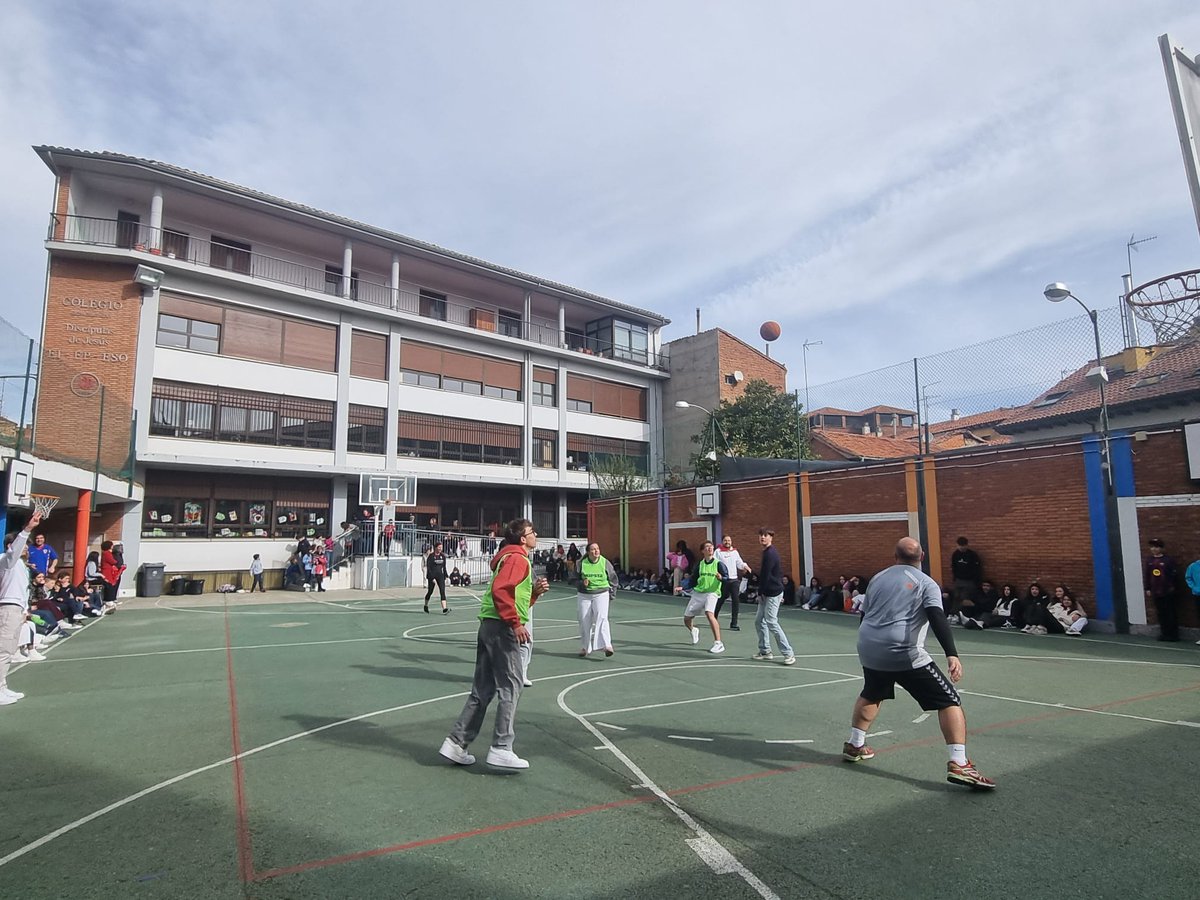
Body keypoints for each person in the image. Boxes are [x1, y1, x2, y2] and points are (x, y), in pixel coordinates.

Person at [842, 536, 996, 789]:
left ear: (895, 557)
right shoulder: (926, 583)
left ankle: (855, 744)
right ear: (922, 556)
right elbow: (937, 617)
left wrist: (869, 644)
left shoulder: (878, 578)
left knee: (872, 691)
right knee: (949, 700)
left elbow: (864, 614)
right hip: (903, 651)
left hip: (868, 645)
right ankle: (959, 763)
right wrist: (951, 653)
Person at [439, 518, 549, 770]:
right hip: (502, 627)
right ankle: (501, 747)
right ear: (523, 538)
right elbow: (501, 590)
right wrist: (515, 623)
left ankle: (456, 743)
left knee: (483, 689)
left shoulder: (507, 558)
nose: (536, 535)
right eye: (532, 532)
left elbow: (512, 596)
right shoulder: (518, 559)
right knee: (511, 686)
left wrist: (534, 594)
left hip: (490, 624)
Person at [0, 510, 41, 706]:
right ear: (11, 545)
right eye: (24, 544)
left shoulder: (22, 566)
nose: (26, 548)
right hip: (7, 608)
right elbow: (13, 552)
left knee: (8, 651)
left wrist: (25, 610)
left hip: (16, 609)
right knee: (3, 651)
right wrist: (28, 529)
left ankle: (2, 686)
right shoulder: (6, 560)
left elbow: (22, 590)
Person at [752, 528, 795, 665]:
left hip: (773, 592)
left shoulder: (770, 553)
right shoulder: (766, 552)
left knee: (771, 621)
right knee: (759, 621)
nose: (762, 537)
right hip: (767, 591)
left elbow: (766, 575)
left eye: (766, 535)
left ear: (771, 538)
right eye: (761, 535)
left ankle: (788, 653)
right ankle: (765, 651)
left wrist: (760, 593)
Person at [575, 541, 619, 657]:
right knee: (584, 620)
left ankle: (606, 645)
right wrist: (581, 583)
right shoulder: (581, 563)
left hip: (601, 593)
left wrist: (612, 594)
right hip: (584, 594)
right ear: (588, 552)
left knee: (602, 618)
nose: (596, 551)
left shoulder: (605, 562)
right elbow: (572, 579)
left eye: (598, 549)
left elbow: (613, 579)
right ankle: (586, 647)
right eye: (593, 549)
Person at [682, 540, 725, 654]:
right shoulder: (699, 565)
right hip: (699, 593)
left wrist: (721, 578)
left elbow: (727, 578)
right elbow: (693, 579)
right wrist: (683, 587)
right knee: (686, 619)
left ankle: (718, 643)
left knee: (709, 613)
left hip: (712, 593)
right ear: (702, 551)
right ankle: (693, 629)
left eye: (711, 547)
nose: (710, 548)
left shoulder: (719, 564)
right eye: (707, 547)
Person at [1144, 538, 1179, 642]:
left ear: (1161, 548)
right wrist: (1148, 588)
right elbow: (1147, 575)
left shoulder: (1168, 560)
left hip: (1167, 591)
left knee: (1170, 612)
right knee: (1161, 613)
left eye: (1156, 547)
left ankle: (1173, 635)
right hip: (1156, 591)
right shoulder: (1149, 561)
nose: (1154, 549)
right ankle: (1164, 633)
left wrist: (1172, 587)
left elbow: (1174, 575)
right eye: (1152, 547)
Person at [714, 534, 751, 631]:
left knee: (735, 600)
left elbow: (739, 562)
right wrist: (718, 574)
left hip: (734, 580)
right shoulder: (718, 552)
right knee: (721, 599)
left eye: (729, 540)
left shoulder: (734, 552)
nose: (727, 542)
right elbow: (714, 564)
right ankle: (714, 618)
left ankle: (734, 623)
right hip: (724, 580)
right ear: (722, 541)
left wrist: (745, 567)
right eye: (725, 540)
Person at [949, 536, 982, 619]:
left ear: (967, 545)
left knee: (965, 597)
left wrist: (976, 581)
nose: (961, 548)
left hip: (969, 581)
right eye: (960, 546)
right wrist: (955, 578)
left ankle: (963, 615)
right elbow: (953, 566)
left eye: (963, 546)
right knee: (956, 597)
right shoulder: (955, 554)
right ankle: (954, 614)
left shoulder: (972, 555)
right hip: (958, 580)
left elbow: (977, 569)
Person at [424, 541, 449, 614]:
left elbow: (444, 567)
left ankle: (444, 608)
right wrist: (432, 578)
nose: (440, 549)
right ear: (436, 548)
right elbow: (429, 568)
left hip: (440, 576)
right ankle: (426, 605)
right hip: (432, 576)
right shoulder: (431, 556)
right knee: (430, 591)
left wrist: (446, 576)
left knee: (442, 591)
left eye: (441, 547)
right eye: (439, 547)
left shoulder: (443, 556)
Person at [100, 540, 125, 609]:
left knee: (112, 586)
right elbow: (113, 561)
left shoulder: (107, 553)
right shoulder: (106, 553)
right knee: (109, 586)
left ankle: (112, 599)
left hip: (110, 572)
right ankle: (108, 600)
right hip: (107, 572)